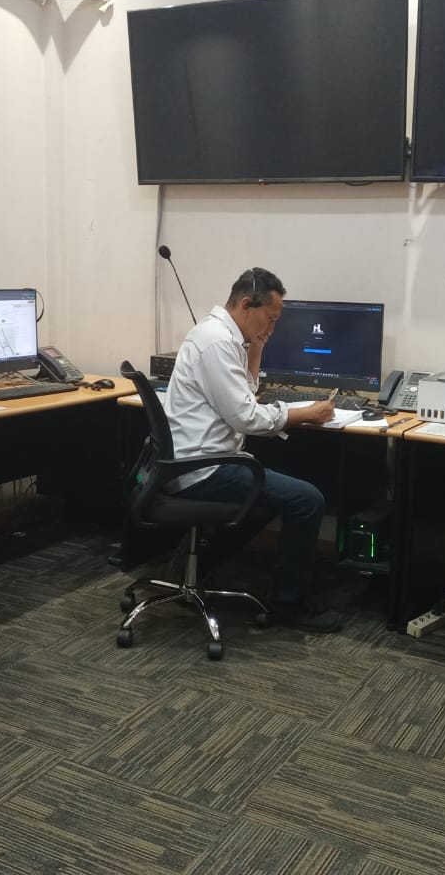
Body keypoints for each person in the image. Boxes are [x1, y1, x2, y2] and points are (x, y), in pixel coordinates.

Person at [164, 267, 343, 632]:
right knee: (307, 500)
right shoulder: (217, 342)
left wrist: (257, 349)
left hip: (201, 460)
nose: (272, 328)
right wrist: (305, 413)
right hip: (204, 468)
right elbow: (246, 417)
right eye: (270, 319)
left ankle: (192, 568)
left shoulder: (221, 336)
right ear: (247, 305)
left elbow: (244, 396)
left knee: (273, 495)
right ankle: (288, 604)